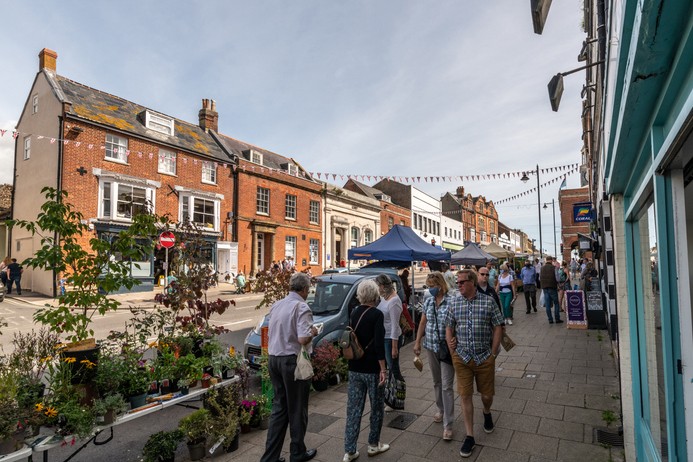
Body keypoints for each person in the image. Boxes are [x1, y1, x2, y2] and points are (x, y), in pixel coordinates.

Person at [444, 269, 504, 458]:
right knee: (465, 395)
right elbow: (448, 326)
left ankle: (486, 411)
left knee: (486, 395)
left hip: (484, 356)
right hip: (461, 358)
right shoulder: (454, 303)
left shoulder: (488, 301)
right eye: (457, 282)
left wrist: (493, 354)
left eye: (461, 282)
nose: (458, 285)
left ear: (471, 282)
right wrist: (451, 346)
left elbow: (498, 327)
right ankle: (470, 436)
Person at [260, 272, 318, 462]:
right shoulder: (301, 306)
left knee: (279, 409)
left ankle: (270, 458)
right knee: (297, 408)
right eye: (308, 289)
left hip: (274, 359)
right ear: (303, 289)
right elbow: (302, 338)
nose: (308, 292)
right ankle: (297, 453)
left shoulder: (278, 304)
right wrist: (314, 332)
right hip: (291, 362)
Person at [342, 279, 390, 461]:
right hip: (372, 369)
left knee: (353, 409)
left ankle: (350, 450)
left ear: (361, 295)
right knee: (376, 408)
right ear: (375, 295)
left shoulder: (354, 312)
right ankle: (373, 445)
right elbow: (379, 345)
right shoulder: (377, 315)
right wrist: (383, 369)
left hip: (354, 367)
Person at [413, 272, 455, 441]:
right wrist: (417, 343)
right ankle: (441, 409)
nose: (430, 290)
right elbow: (423, 322)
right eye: (428, 287)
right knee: (436, 382)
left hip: (446, 349)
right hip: (430, 346)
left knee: (447, 385)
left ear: (441, 285)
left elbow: (456, 323)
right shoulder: (429, 301)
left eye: (432, 286)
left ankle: (448, 424)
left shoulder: (451, 301)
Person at [375, 273, 403, 411]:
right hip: (383, 337)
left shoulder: (394, 301)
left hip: (390, 338)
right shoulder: (384, 298)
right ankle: (389, 395)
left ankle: (397, 397)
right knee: (387, 368)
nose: (377, 288)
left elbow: (394, 325)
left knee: (393, 368)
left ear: (383, 286)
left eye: (378, 286)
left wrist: (394, 347)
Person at [539, 256, 562, 324]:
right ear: (551, 260)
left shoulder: (541, 268)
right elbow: (557, 279)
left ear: (546, 260)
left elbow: (539, 279)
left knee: (548, 304)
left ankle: (550, 320)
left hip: (545, 288)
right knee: (556, 303)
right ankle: (557, 319)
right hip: (552, 287)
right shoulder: (554, 268)